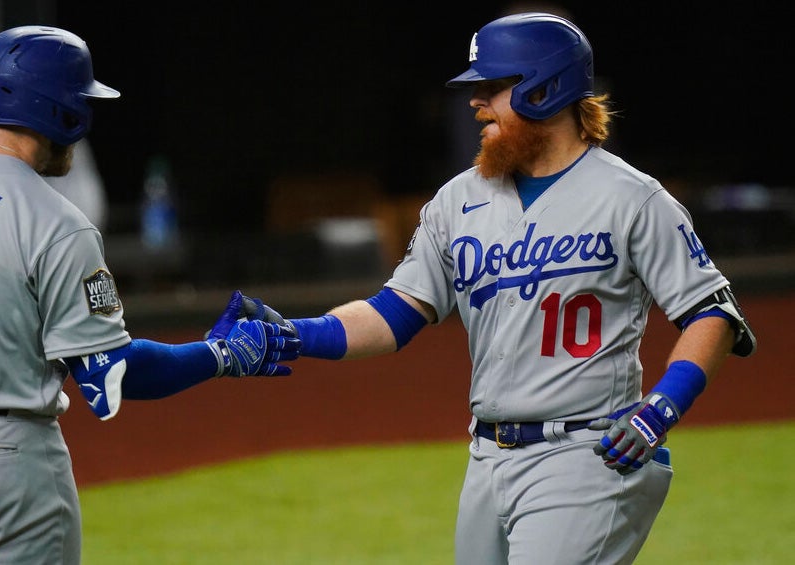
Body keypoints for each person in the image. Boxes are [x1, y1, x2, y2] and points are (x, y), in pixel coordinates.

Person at [254, 12, 757, 564]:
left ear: (546, 89)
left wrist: (661, 408)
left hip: (589, 456)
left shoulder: (631, 198)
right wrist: (295, 335)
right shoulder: (458, 200)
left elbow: (712, 312)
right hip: (486, 458)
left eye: (492, 88)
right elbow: (394, 314)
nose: (476, 102)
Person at [0, 25, 298, 564]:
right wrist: (221, 355)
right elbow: (113, 373)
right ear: (61, 113)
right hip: (3, 463)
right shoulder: (54, 222)